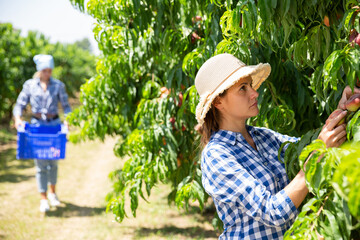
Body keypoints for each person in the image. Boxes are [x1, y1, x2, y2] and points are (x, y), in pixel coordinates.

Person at [194, 53, 360, 239]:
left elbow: (311, 149)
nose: (254, 93)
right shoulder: (217, 155)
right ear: (218, 101)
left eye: (251, 85)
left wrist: (343, 110)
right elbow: (272, 212)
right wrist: (317, 156)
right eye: (243, 88)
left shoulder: (263, 136)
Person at [13, 54, 71, 212]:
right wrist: (17, 118)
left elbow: (66, 106)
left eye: (50, 71)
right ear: (39, 71)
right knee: (40, 163)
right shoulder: (30, 85)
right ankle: (43, 198)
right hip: (37, 126)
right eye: (45, 70)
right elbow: (20, 104)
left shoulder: (58, 85)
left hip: (53, 125)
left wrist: (68, 119)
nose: (48, 73)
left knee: (53, 160)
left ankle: (53, 192)